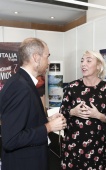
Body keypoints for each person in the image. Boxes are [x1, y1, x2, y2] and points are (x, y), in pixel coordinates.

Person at [0, 38, 67, 170]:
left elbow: (23, 121)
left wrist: (46, 120)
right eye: (47, 56)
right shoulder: (20, 87)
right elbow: (11, 139)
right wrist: (48, 127)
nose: (48, 62)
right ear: (36, 57)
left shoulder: (22, 82)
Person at [60, 50, 106, 169]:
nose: (83, 64)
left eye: (88, 61)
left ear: (98, 66)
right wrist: (72, 112)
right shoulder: (72, 87)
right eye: (82, 61)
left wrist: (99, 115)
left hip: (99, 148)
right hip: (74, 147)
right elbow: (61, 114)